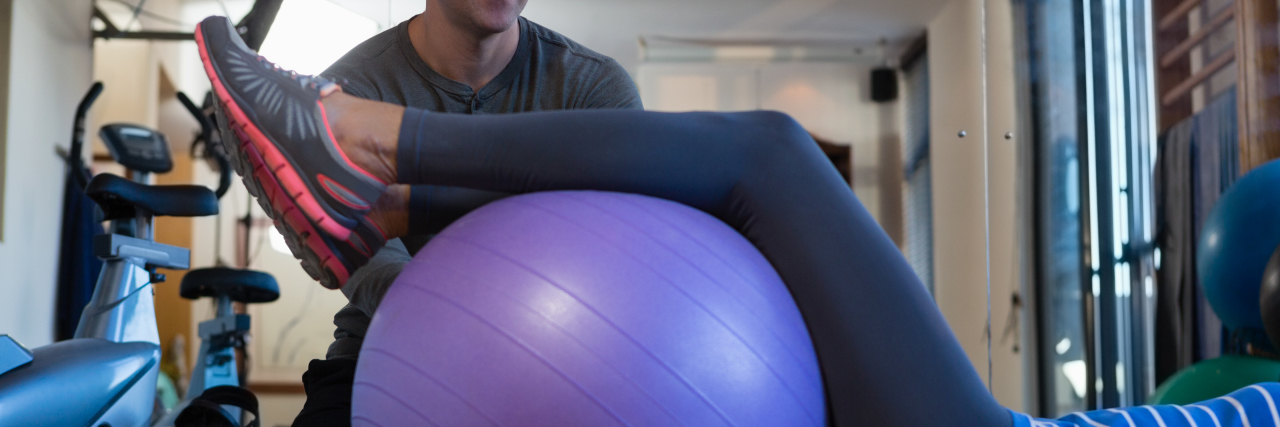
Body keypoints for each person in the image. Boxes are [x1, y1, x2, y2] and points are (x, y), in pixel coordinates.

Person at [195, 15, 1280, 427]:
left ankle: (372, 154)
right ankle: (369, 162)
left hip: (609, 361)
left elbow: (616, 255)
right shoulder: (368, 55)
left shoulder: (584, 78)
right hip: (399, 346)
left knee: (767, 156)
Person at [286, 0, 642, 423]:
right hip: (387, 346)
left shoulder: (594, 88)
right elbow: (379, 270)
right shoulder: (345, 94)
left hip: (553, 352)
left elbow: (612, 262)